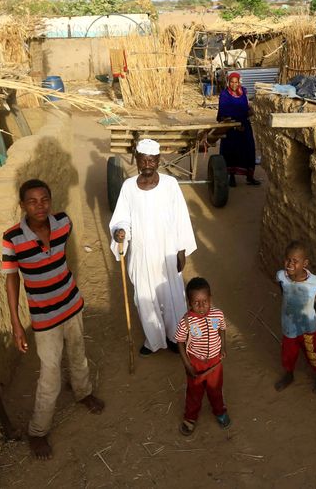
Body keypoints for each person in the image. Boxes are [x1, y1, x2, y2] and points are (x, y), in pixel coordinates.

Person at [2, 179, 104, 460]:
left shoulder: (63, 223)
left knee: (78, 353)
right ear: (22, 205)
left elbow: (58, 258)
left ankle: (83, 392)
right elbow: (11, 280)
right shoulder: (12, 238)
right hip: (45, 318)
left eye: (44, 199)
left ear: (51, 200)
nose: (39, 206)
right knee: (50, 375)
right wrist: (15, 324)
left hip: (71, 304)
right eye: (32, 201)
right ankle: (38, 431)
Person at [110, 138, 197, 357]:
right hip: (141, 253)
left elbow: (181, 218)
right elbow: (122, 218)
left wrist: (181, 249)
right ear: (137, 160)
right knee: (144, 298)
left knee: (173, 296)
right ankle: (154, 340)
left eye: (152, 160)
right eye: (143, 159)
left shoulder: (170, 184)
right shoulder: (128, 187)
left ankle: (175, 337)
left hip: (167, 251)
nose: (147, 164)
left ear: (158, 160)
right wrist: (120, 231)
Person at [274, 241, 316, 393]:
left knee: (313, 352)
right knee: (288, 353)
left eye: (295, 261)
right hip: (289, 326)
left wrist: (312, 300)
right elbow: (282, 287)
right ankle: (289, 374)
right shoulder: (281, 276)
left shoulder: (314, 281)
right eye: (287, 260)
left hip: (308, 327)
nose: (290, 264)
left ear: (305, 263)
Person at [175, 277, 231, 436]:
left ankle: (220, 411)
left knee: (215, 389)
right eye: (196, 302)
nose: (201, 306)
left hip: (215, 362)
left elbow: (222, 329)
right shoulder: (186, 322)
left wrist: (223, 347)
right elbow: (180, 342)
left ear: (210, 298)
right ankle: (190, 417)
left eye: (205, 301)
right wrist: (187, 364)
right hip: (196, 363)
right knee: (194, 392)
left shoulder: (218, 315)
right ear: (189, 303)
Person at [217, 72, 261, 187]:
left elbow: (246, 107)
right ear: (228, 82)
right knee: (231, 151)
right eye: (232, 82)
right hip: (230, 127)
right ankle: (231, 176)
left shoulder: (243, 92)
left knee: (249, 149)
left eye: (236, 82)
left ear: (239, 82)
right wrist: (235, 124)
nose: (234, 84)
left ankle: (249, 176)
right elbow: (223, 111)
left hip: (244, 126)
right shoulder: (224, 94)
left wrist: (250, 111)